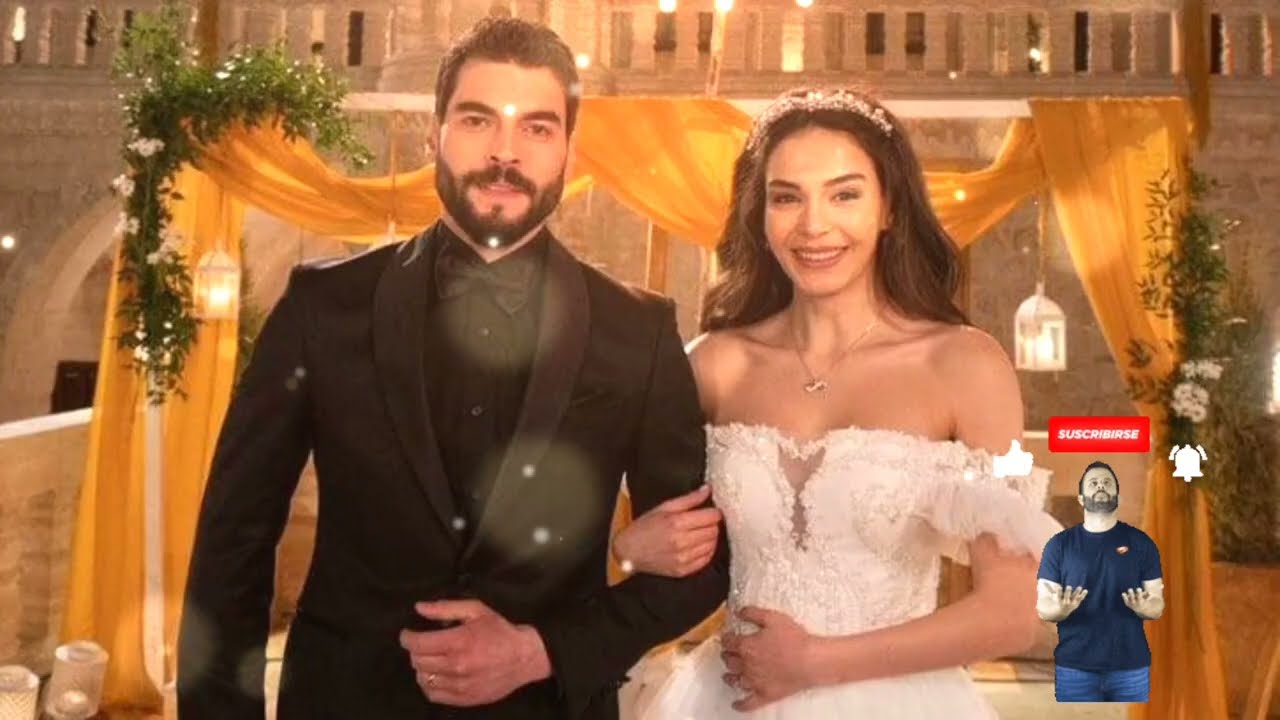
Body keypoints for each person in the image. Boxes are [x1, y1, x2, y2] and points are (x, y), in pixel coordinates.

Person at [175, 17, 729, 720]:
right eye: (477, 120)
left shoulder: (639, 330)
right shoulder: (322, 307)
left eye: (536, 128)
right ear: (434, 133)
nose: (505, 152)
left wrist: (543, 651)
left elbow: (700, 565)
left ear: (569, 148)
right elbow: (234, 542)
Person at [610, 87, 1064, 718]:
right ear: (760, 215)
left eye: (844, 194)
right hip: (728, 699)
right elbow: (648, 542)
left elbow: (1011, 614)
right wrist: (626, 548)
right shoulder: (714, 364)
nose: (813, 225)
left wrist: (816, 663)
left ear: (889, 207)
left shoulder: (966, 366)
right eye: (786, 197)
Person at [1037, 461, 1163, 702]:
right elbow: (1043, 605)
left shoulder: (1142, 544)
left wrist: (1147, 608)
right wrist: (1059, 610)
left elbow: (1157, 603)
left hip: (1130, 667)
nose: (1100, 487)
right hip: (1075, 667)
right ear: (1081, 499)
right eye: (1093, 483)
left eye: (1107, 483)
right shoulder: (1059, 546)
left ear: (1118, 497)